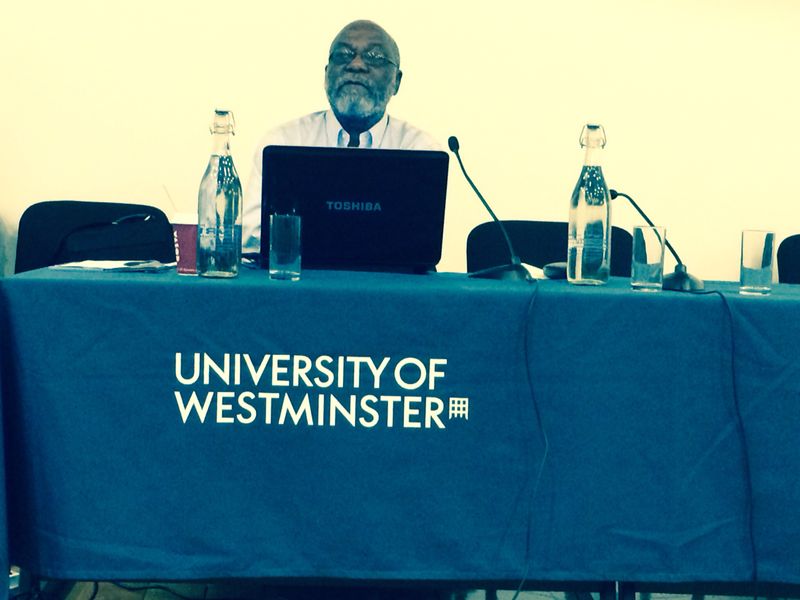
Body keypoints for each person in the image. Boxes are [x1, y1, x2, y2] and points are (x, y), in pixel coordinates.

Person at [241, 19, 440, 252]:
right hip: (300, 276)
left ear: (396, 81)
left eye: (374, 56)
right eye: (343, 55)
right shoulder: (284, 141)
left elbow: (421, 244)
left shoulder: (419, 149)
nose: (356, 65)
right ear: (326, 75)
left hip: (389, 277)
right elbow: (254, 239)